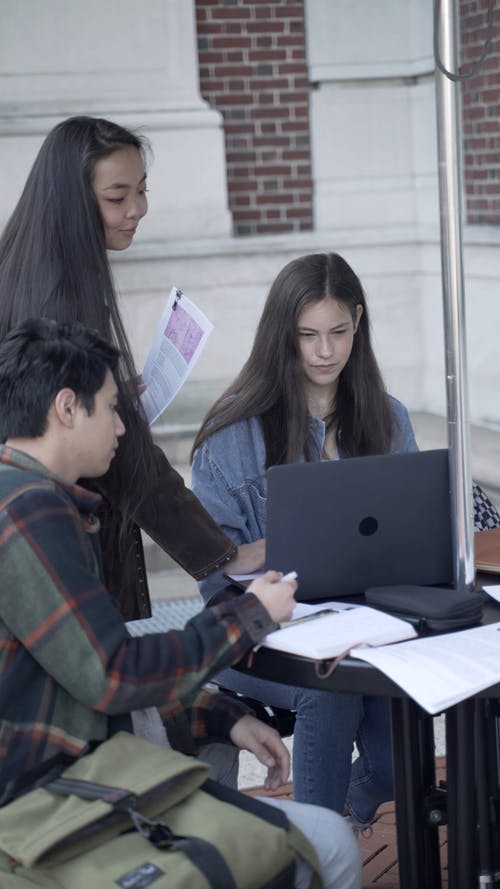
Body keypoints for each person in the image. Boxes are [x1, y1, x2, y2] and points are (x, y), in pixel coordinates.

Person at [0, 317, 361, 889]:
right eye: (113, 407)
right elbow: (112, 675)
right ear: (67, 408)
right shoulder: (30, 513)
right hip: (48, 806)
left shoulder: (28, 498)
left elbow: (86, 676)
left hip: (68, 777)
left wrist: (219, 713)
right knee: (332, 844)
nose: (123, 427)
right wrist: (253, 614)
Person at [191, 250, 500, 824]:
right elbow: (214, 579)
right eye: (308, 335)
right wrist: (275, 557)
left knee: (391, 756)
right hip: (261, 636)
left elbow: (418, 538)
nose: (325, 351)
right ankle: (318, 849)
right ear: (283, 335)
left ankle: (356, 804)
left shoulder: (387, 417)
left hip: (372, 625)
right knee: (330, 695)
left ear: (358, 322)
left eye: (337, 332)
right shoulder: (231, 438)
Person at [0, 115, 264, 623]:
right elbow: (128, 458)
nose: (138, 209)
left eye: (141, 191)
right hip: (66, 540)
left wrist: (105, 392)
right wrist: (222, 555)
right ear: (72, 201)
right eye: (117, 197)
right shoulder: (61, 295)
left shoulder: (27, 264)